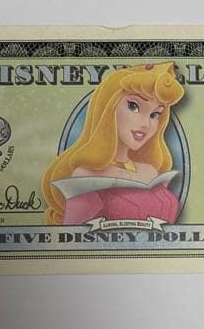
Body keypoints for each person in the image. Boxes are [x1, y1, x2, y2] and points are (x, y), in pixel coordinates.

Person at [41, 62, 185, 225]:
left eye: (155, 114)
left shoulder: (151, 172)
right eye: (133, 106)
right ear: (108, 106)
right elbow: (74, 237)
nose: (146, 124)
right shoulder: (84, 176)